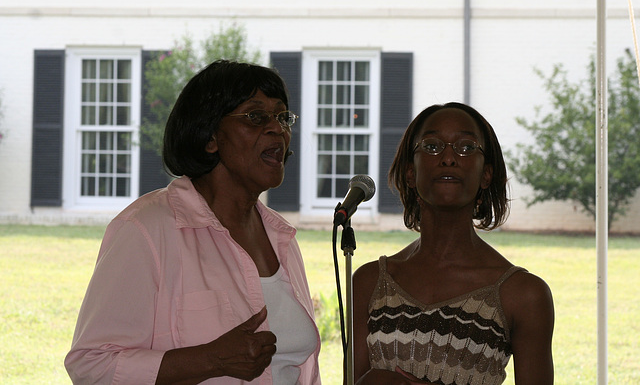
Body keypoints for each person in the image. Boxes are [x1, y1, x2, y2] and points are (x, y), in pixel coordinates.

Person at [65, 60, 321, 385]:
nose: (277, 129)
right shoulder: (147, 228)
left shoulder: (282, 237)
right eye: (255, 117)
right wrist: (211, 360)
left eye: (282, 117)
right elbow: (92, 366)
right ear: (210, 137)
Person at [352, 102, 554, 385]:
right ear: (411, 172)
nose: (448, 157)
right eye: (432, 146)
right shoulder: (369, 282)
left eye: (466, 147)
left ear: (486, 174)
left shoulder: (522, 294)